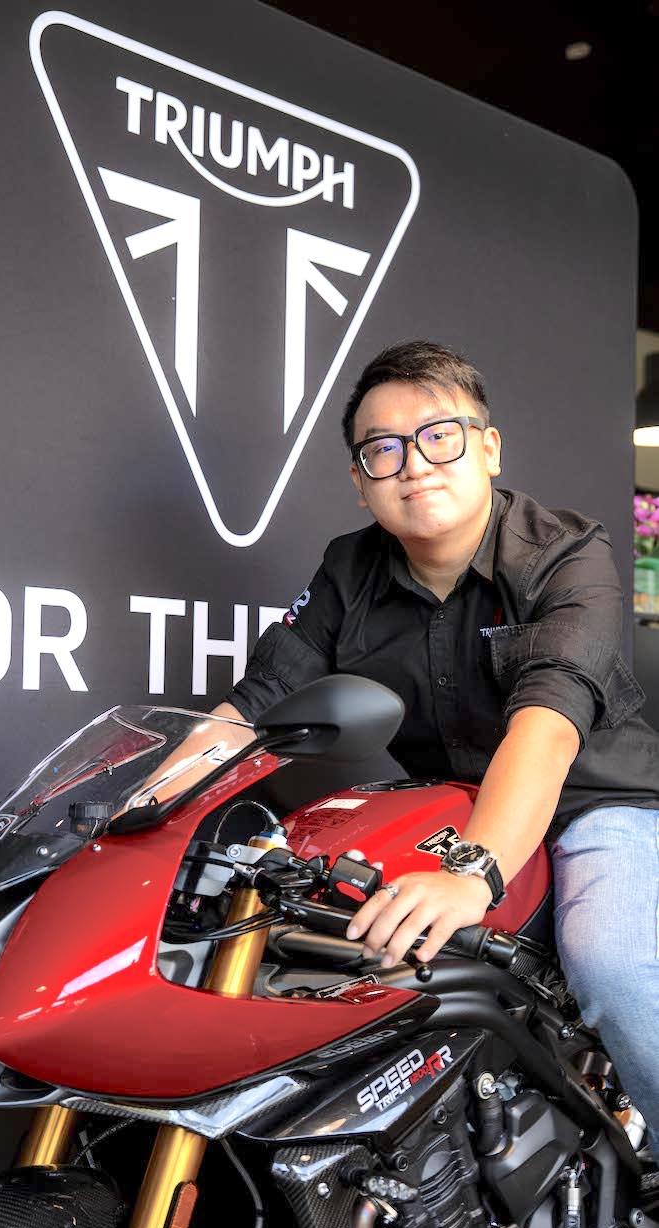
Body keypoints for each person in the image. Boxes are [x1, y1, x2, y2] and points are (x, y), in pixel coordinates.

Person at [212, 340, 659, 1150]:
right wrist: (145, 795)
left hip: (597, 806)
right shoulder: (349, 569)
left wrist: (474, 871)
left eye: (439, 436)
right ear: (360, 481)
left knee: (613, 965)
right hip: (456, 808)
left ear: (488, 448)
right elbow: (254, 707)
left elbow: (548, 722)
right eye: (382, 449)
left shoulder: (565, 551)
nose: (414, 464)